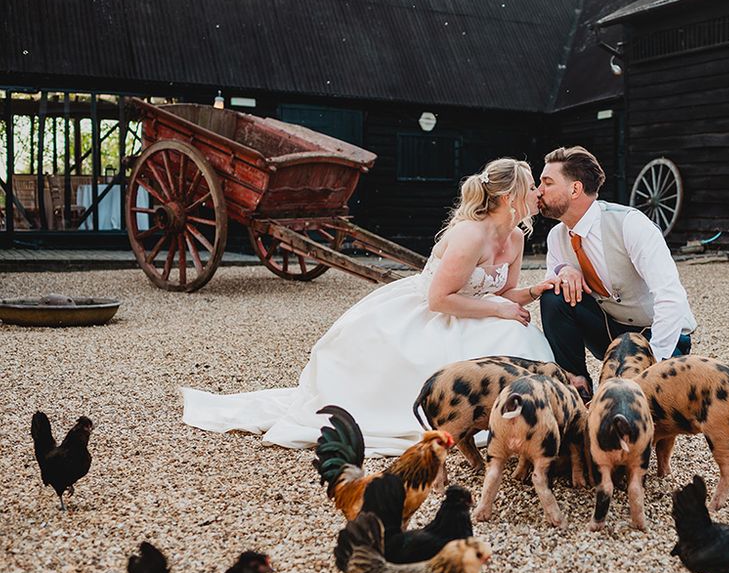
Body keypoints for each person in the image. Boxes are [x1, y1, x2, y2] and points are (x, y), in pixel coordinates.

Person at [183, 158, 554, 455]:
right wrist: (498, 310)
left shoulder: (516, 238)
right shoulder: (470, 235)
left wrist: (534, 291)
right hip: (434, 314)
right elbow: (439, 299)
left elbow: (502, 295)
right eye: (532, 187)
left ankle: (516, 419)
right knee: (498, 330)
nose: (538, 193)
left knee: (517, 333)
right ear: (508, 197)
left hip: (472, 310)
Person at [536, 145, 697, 401]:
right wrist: (562, 270)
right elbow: (551, 288)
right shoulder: (557, 236)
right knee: (554, 295)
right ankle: (577, 389)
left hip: (658, 334)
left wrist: (652, 362)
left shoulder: (630, 224)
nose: (538, 191)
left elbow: (670, 296)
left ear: (575, 189)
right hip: (610, 331)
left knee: (640, 404)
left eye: (547, 183)